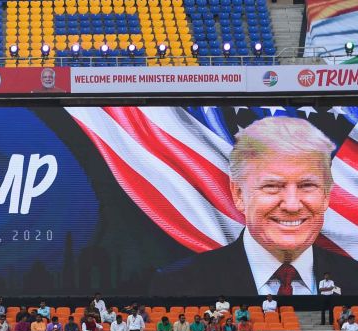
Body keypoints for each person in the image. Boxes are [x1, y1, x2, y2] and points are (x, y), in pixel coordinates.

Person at [151, 117, 358, 296]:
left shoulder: (353, 279)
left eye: (307, 185)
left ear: (326, 195)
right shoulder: (177, 283)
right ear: (239, 194)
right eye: (272, 186)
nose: (292, 205)